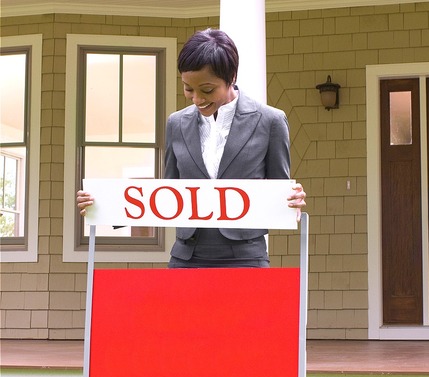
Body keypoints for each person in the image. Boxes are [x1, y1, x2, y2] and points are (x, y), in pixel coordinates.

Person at [76, 28, 306, 268]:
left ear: (232, 77)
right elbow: (167, 195)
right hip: (186, 257)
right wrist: (103, 205)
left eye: (207, 90)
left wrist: (292, 200)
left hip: (246, 258)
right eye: (188, 89)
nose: (197, 98)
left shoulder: (270, 121)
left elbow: (279, 191)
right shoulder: (176, 123)